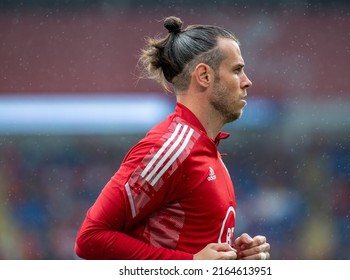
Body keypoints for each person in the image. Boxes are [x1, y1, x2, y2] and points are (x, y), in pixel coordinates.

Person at [74, 16, 270, 260]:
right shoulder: (170, 149)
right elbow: (90, 239)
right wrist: (190, 264)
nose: (246, 81)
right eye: (237, 70)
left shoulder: (206, 149)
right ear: (204, 76)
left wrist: (233, 259)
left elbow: (192, 250)